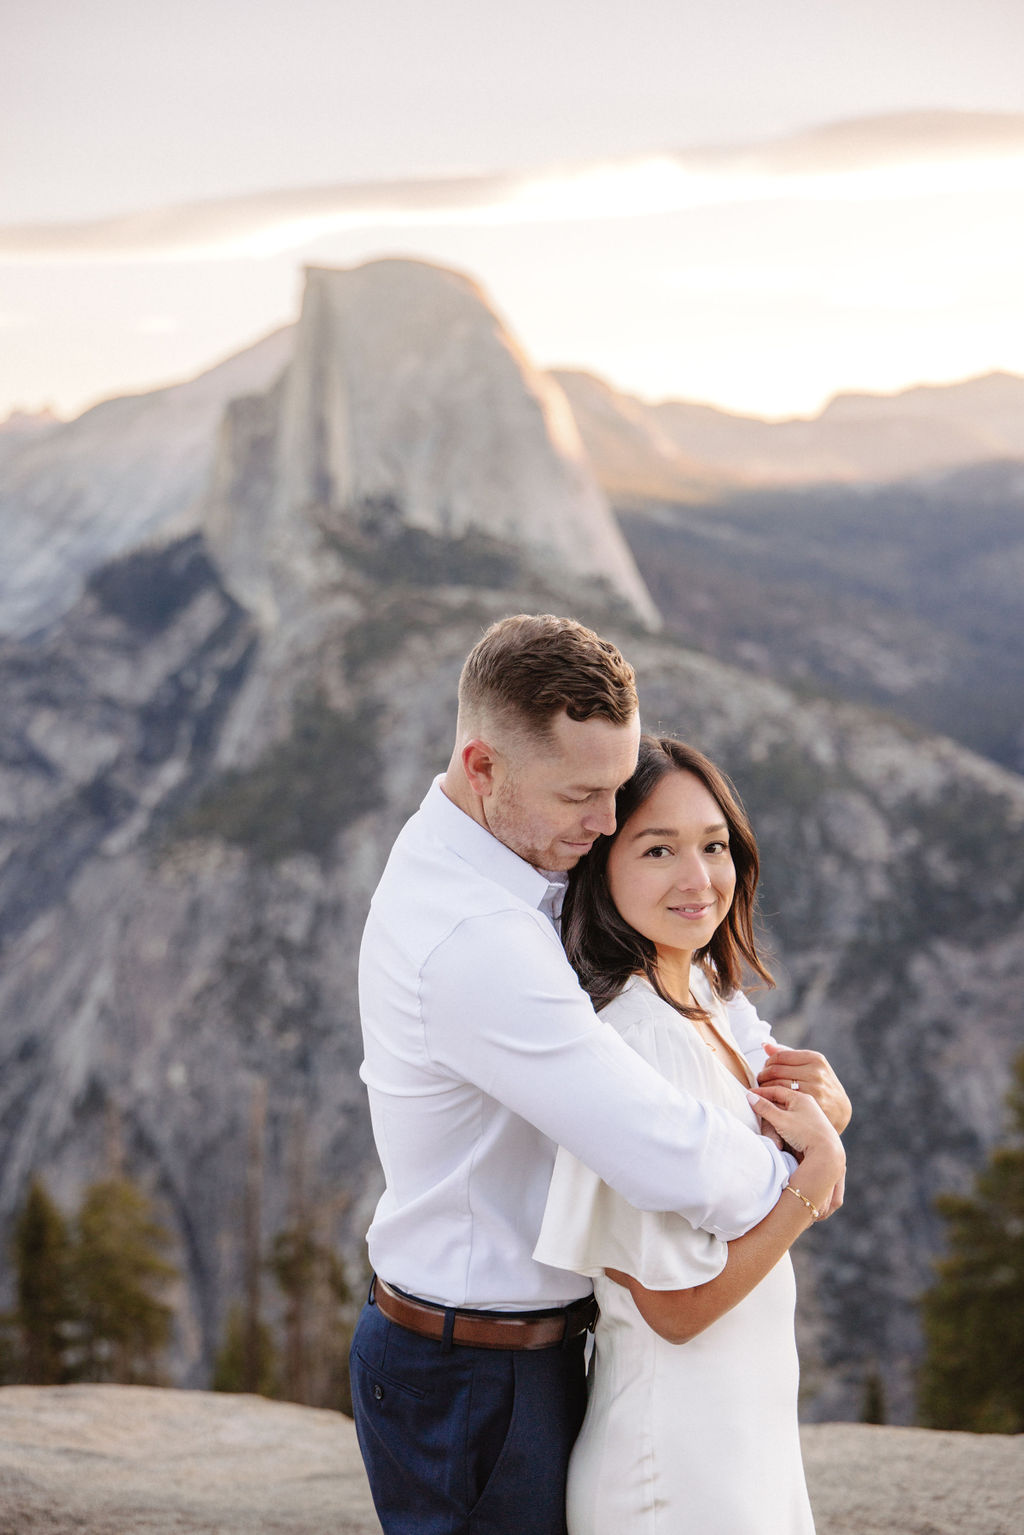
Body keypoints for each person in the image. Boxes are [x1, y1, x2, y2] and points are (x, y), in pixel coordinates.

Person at [350, 614, 849, 1535]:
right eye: (585, 795)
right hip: (471, 1369)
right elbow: (662, 1154)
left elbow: (693, 1000)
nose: (609, 822)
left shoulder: (503, 855)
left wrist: (807, 1097)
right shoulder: (476, 939)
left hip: (522, 1353)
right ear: (483, 764)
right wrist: (805, 1172)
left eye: (619, 790)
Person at [534, 735, 848, 1534]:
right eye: (658, 848)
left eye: (713, 845)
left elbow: (794, 1097)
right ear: (601, 865)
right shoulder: (637, 1039)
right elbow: (676, 1310)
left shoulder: (700, 992)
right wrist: (809, 1188)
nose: (698, 877)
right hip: (674, 1465)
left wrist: (825, 1114)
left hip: (739, 1440)